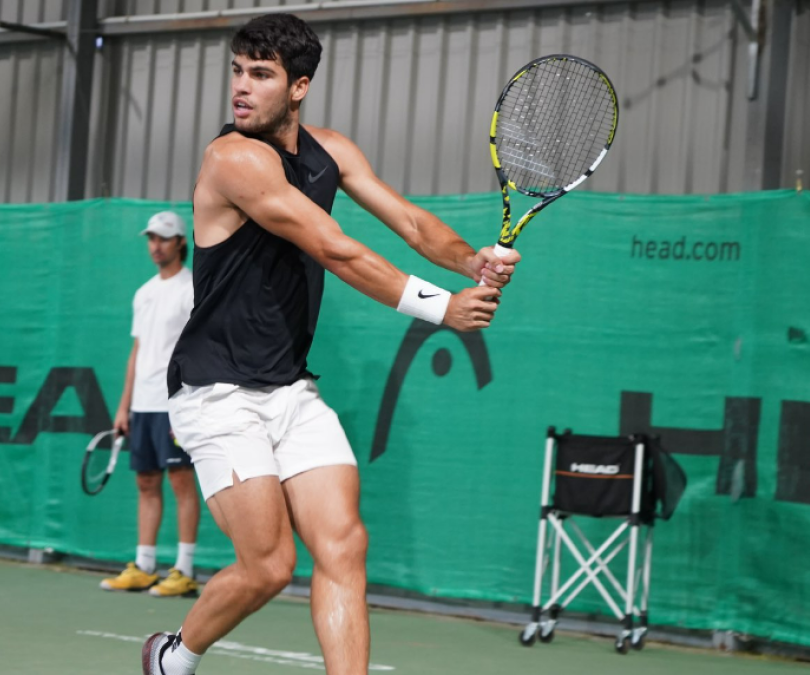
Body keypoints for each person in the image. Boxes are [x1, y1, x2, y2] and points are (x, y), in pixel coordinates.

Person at [142, 13, 520, 675]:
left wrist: (469, 260)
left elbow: (407, 220)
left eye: (261, 74)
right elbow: (334, 249)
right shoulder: (232, 158)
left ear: (299, 86)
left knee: (343, 544)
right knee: (269, 566)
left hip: (290, 388)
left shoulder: (332, 151)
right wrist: (444, 308)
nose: (241, 87)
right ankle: (173, 655)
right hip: (216, 391)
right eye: (237, 70)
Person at [100, 211, 202, 599]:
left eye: (163, 238)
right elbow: (137, 351)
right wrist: (124, 406)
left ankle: (184, 569)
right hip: (142, 404)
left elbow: (198, 348)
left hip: (176, 402)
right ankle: (144, 566)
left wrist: (188, 402)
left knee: (181, 482)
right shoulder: (143, 293)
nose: (155, 245)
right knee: (146, 482)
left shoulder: (192, 289)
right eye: (151, 239)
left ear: (180, 242)